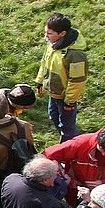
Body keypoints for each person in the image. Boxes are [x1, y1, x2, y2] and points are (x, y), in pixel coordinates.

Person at [35, 12, 88, 142]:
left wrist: (69, 101)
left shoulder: (75, 55)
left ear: (62, 34)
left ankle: (69, 145)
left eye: (49, 33)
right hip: (54, 93)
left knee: (67, 126)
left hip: (65, 98)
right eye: (46, 32)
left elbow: (77, 81)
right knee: (53, 115)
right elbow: (45, 62)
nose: (45, 36)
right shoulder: (53, 44)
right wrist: (40, 81)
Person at [43, 128, 105, 206]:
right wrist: (68, 180)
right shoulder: (80, 144)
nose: (104, 154)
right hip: (76, 190)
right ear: (98, 141)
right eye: (101, 150)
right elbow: (47, 156)